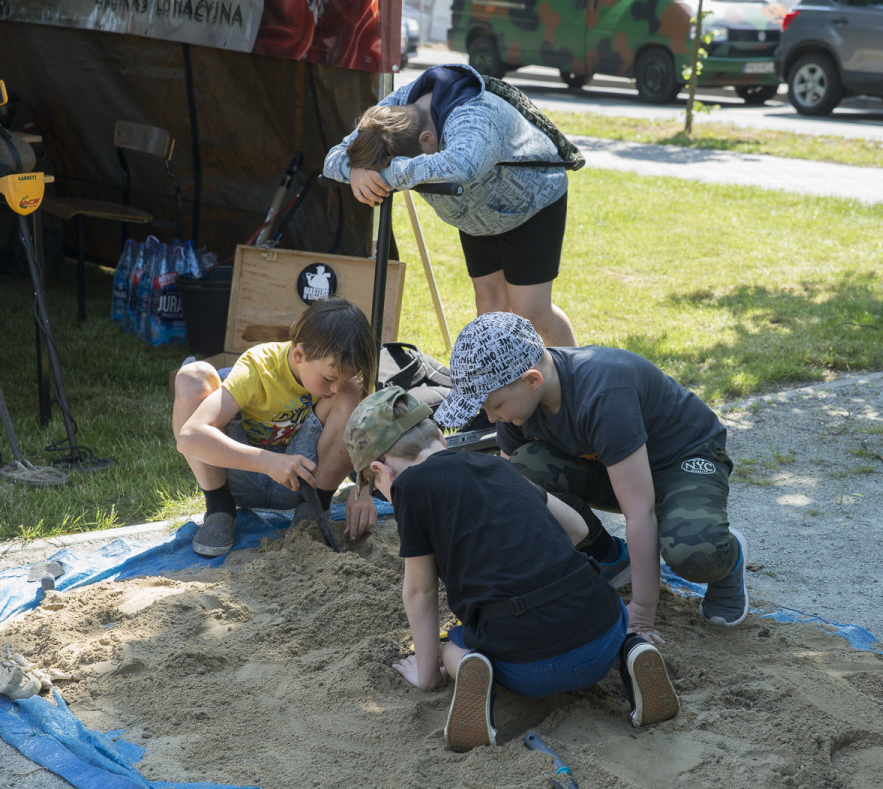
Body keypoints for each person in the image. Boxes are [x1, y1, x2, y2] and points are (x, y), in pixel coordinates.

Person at [343, 386, 680, 750]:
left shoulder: (409, 486)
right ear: (441, 437)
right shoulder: (498, 465)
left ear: (381, 471)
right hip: (599, 631)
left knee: (451, 645)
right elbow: (578, 529)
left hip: (525, 668)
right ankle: (629, 652)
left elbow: (420, 591)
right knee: (604, 623)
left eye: (376, 486)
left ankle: (471, 666)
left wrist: (427, 675)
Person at [433, 312, 747, 646]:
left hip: (682, 459)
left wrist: (641, 609)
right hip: (612, 465)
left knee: (693, 551)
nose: (493, 418)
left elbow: (639, 511)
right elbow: (512, 499)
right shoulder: (517, 407)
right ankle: (608, 556)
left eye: (494, 405)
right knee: (525, 471)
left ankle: (729, 559)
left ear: (532, 380)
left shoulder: (603, 395)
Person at [323, 63, 577, 347]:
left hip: (531, 202)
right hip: (476, 214)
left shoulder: (474, 115)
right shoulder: (394, 110)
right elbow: (333, 157)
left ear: (427, 139)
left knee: (531, 311)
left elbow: (462, 166)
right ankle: (503, 388)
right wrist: (357, 169)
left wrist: (386, 173)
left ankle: (574, 382)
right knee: (489, 305)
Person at [173, 297, 379, 556]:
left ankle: (315, 511)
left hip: (305, 483)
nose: (335, 388)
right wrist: (267, 462)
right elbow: (189, 437)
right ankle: (219, 509)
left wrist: (363, 487)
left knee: (353, 390)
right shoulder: (259, 367)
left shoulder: (338, 383)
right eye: (328, 379)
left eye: (342, 378)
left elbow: (369, 428)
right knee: (193, 376)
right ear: (299, 355)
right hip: (239, 475)